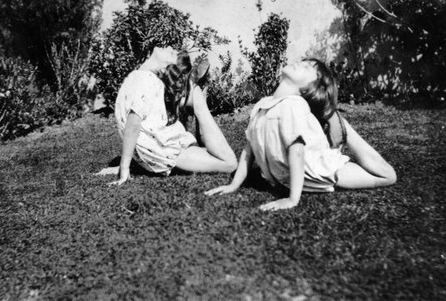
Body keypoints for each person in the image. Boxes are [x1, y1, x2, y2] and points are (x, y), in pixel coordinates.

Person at [204, 58, 396, 210]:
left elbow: (297, 151)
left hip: (323, 170)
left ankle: (343, 128)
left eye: (306, 67)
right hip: (290, 177)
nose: (299, 63)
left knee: (387, 176)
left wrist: (292, 200)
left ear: (310, 86)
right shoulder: (261, 105)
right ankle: (333, 128)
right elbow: (248, 151)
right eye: (303, 62)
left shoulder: (294, 104)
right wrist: (233, 185)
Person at [101, 46, 237, 186]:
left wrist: (125, 166)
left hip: (160, 148)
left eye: (173, 53)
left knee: (209, 152)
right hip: (165, 150)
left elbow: (135, 123)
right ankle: (194, 93)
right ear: (163, 70)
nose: (170, 47)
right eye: (171, 51)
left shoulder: (139, 77)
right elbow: (133, 123)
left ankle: (191, 92)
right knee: (229, 163)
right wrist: (124, 169)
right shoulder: (146, 79)